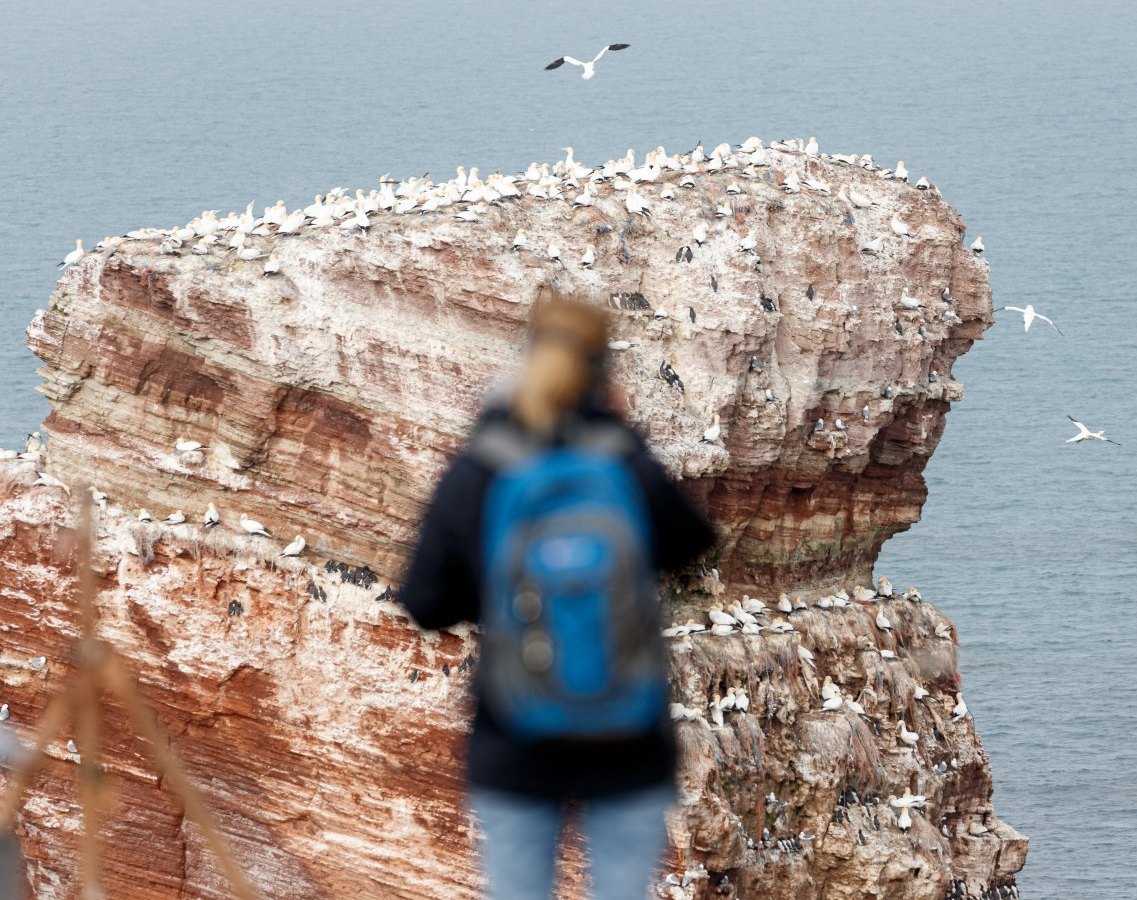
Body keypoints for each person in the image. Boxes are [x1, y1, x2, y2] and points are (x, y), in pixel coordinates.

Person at [401, 294, 714, 900]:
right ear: (602, 370)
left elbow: (426, 600)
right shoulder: (622, 461)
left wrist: (505, 592)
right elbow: (693, 542)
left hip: (516, 735)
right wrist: (622, 436)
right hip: (628, 738)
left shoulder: (484, 467)